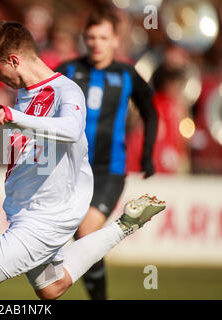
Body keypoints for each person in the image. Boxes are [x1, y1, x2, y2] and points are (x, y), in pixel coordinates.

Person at [0, 21, 165, 300]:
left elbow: (70, 130)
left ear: (14, 60)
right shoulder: (25, 93)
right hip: (26, 212)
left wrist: (17, 118)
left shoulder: (67, 91)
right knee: (51, 288)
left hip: (44, 219)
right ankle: (125, 225)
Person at [56, 9, 158, 300]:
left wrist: (147, 154)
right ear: (84, 39)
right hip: (70, 169)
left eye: (103, 37)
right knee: (81, 239)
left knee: (87, 233)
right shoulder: (68, 70)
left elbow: (150, 110)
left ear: (116, 40)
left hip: (109, 170)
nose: (96, 43)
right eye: (91, 37)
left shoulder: (125, 73)